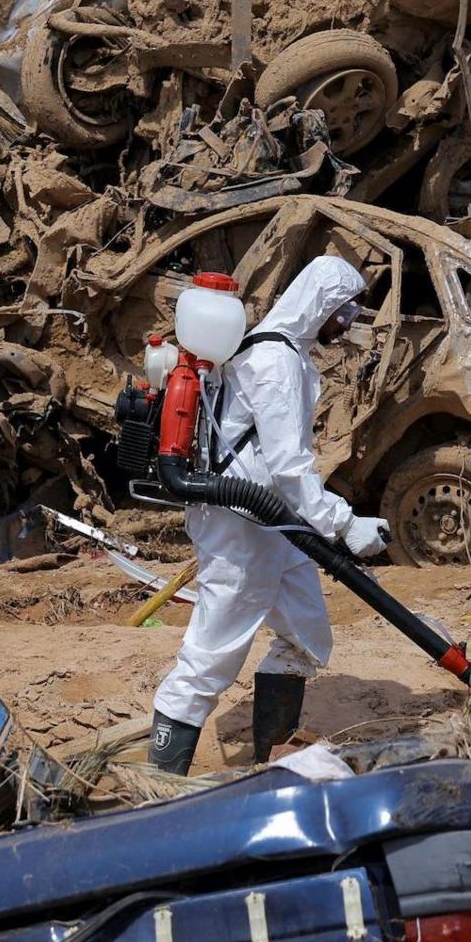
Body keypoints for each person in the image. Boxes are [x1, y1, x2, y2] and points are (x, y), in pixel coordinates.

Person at [149, 257, 392, 775]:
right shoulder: (275, 361)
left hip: (275, 525)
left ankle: (273, 759)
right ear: (322, 304)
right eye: (345, 311)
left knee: (304, 634)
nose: (347, 324)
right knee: (210, 657)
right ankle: (158, 782)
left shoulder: (287, 353)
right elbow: (288, 464)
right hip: (243, 526)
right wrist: (344, 524)